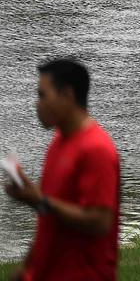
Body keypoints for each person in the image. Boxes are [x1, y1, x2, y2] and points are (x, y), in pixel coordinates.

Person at [3, 59, 120, 281]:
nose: (37, 104)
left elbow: (100, 221)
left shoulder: (97, 149)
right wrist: (26, 268)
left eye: (42, 95)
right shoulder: (58, 142)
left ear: (67, 95)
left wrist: (41, 201)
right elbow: (50, 217)